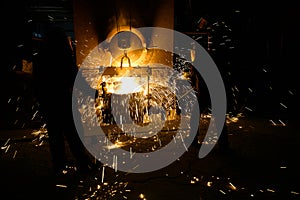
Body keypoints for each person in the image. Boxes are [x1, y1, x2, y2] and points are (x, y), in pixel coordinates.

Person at [32, 26, 98, 175]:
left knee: (55, 136)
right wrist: (91, 92)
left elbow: (36, 82)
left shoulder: (40, 57)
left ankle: (59, 166)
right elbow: (76, 79)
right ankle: (82, 163)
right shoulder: (64, 56)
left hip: (49, 102)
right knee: (73, 134)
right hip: (64, 102)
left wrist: (40, 101)